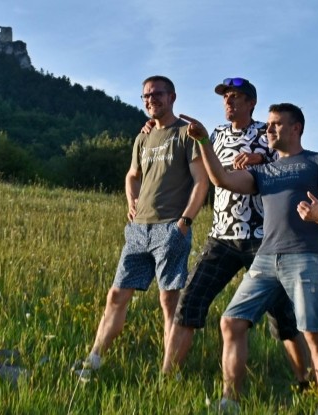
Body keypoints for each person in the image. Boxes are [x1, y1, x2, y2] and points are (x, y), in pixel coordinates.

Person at [181, 103, 318, 410]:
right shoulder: (263, 171)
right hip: (266, 258)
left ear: (296, 128)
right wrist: (203, 141)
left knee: (312, 332)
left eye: (276, 124)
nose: (268, 129)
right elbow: (222, 180)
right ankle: (230, 401)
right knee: (231, 322)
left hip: (306, 257)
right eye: (268, 124)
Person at [161, 78, 311, 388]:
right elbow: (196, 159)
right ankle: (167, 380)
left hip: (263, 237)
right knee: (189, 304)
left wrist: (261, 158)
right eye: (226, 97)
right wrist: (152, 126)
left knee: (283, 316)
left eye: (236, 97)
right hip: (222, 236)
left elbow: (290, 160)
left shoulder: (267, 132)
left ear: (251, 103)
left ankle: (306, 383)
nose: (229, 101)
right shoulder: (215, 134)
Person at [72, 75, 209, 378]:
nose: (151, 100)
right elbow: (132, 175)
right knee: (116, 295)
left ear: (172, 97)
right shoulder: (142, 138)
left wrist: (185, 222)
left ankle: (168, 374)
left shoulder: (186, 134)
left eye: (157, 94)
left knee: (168, 301)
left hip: (170, 228)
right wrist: (130, 200)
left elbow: (202, 182)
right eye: (146, 96)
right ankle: (93, 360)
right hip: (139, 230)